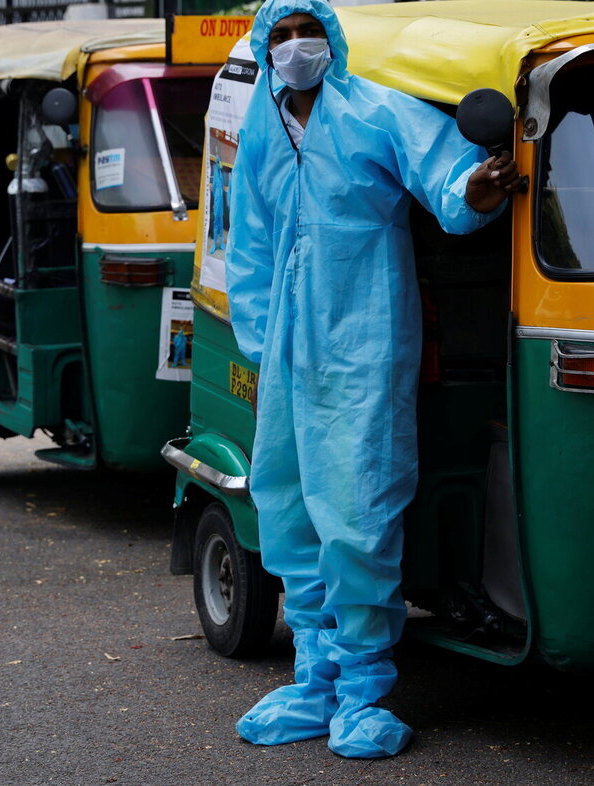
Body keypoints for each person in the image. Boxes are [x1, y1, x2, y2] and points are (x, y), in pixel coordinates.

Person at [224, 0, 520, 759]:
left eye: (307, 32)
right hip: (288, 350)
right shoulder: (261, 128)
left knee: (358, 509)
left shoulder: (376, 110)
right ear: (264, 47)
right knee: (286, 505)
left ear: (333, 39)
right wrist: (259, 342)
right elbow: (249, 241)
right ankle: (314, 679)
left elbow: (450, 176)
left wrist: (477, 190)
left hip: (364, 337)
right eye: (282, 36)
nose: (296, 48)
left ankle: (362, 689)